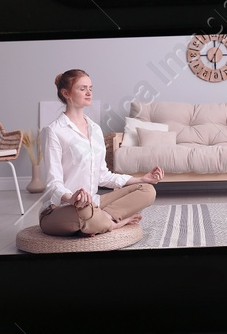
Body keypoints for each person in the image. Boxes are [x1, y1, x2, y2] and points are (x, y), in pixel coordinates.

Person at [38, 69, 163, 236]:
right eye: (82, 89)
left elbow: (103, 175)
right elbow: (53, 184)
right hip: (61, 209)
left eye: (90, 88)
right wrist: (72, 198)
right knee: (84, 212)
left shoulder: (95, 129)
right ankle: (112, 224)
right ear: (66, 93)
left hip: (94, 204)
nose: (89, 92)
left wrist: (141, 178)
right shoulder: (54, 131)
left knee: (147, 190)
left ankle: (102, 220)